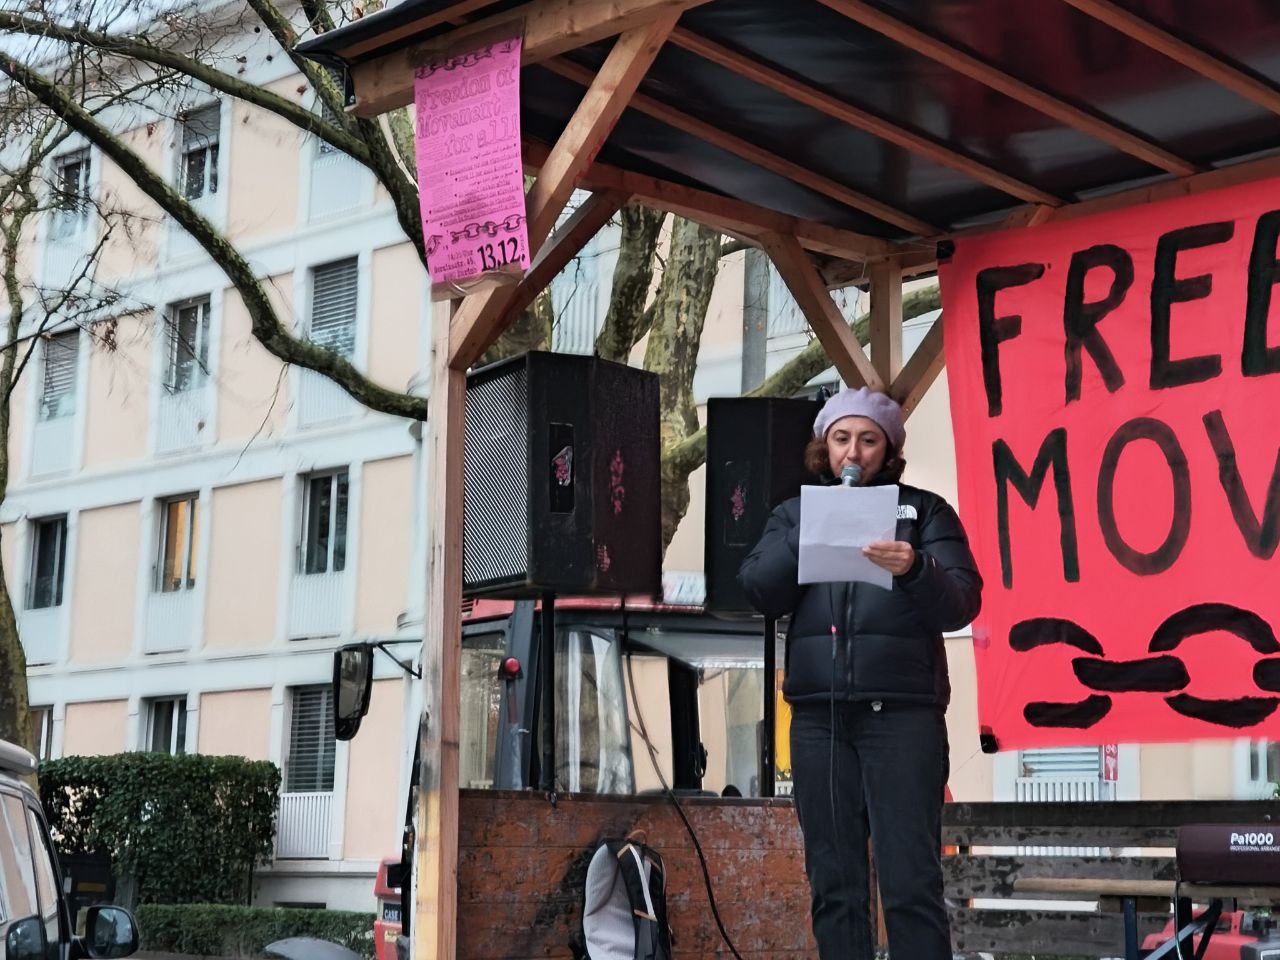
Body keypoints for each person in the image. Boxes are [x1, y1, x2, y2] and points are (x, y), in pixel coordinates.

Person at [738, 387, 982, 960]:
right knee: (834, 880)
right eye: (842, 439)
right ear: (824, 448)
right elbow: (756, 590)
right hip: (820, 718)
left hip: (901, 717)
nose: (855, 452)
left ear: (889, 449)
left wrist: (915, 567)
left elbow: (963, 603)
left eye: (869, 440)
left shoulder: (923, 512)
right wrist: (808, 533)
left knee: (909, 879)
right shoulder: (793, 513)